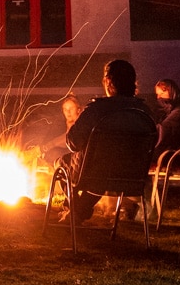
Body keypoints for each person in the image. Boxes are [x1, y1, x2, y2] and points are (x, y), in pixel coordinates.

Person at [61, 59, 152, 224]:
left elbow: (73, 143)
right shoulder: (144, 111)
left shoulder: (97, 109)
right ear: (133, 83)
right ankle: (78, 212)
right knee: (103, 173)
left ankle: (76, 211)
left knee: (63, 163)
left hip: (95, 173)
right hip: (133, 176)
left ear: (108, 82)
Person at [153, 79, 180, 163]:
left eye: (162, 93)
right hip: (170, 155)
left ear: (171, 92)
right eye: (157, 94)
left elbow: (164, 131)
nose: (159, 97)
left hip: (172, 157)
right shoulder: (171, 111)